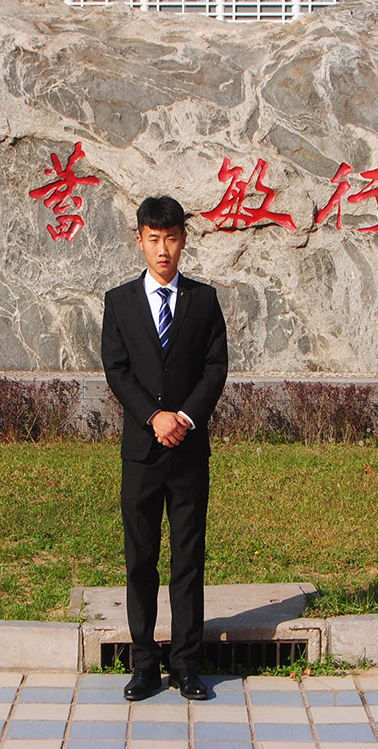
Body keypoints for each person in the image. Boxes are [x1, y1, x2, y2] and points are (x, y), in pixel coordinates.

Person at [100, 195, 229, 701]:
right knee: (140, 560)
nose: (163, 250)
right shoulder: (120, 302)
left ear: (183, 240)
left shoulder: (204, 301)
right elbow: (117, 370)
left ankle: (186, 666)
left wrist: (185, 417)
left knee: (188, 560)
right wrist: (154, 417)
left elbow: (214, 368)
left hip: (189, 451)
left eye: (171, 239)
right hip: (142, 452)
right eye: (153, 239)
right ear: (139, 241)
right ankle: (144, 665)